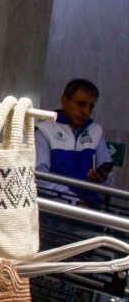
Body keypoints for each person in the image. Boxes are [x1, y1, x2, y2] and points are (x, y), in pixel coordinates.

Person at [36, 78, 112, 207]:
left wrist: (103, 179)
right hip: (53, 210)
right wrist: (72, 200)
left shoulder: (96, 131)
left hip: (90, 210)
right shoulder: (45, 130)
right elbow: (38, 176)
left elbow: (108, 177)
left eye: (91, 106)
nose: (86, 112)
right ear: (64, 101)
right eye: (81, 104)